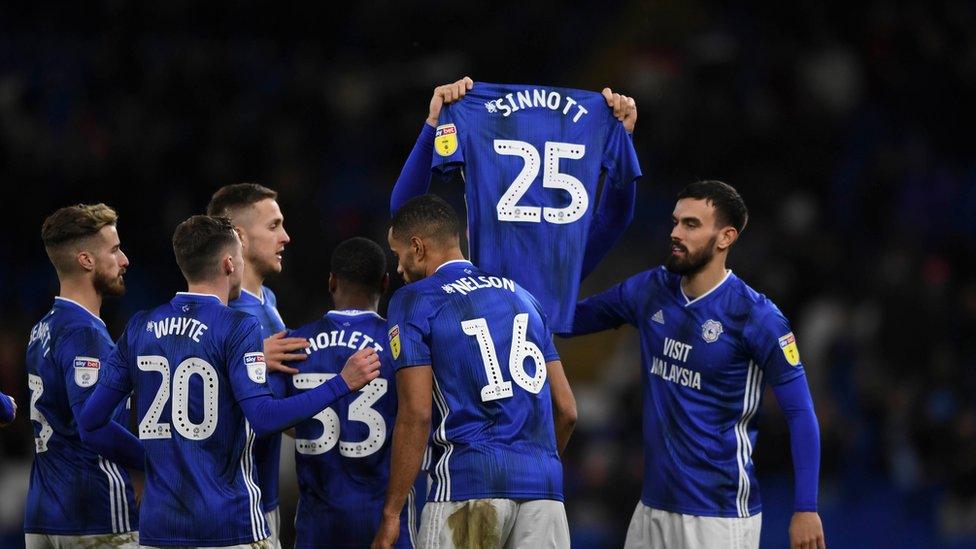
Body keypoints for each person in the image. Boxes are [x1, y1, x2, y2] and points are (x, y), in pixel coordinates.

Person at [80, 215, 381, 548]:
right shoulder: (238, 326)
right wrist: (341, 383)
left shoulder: (139, 326)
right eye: (239, 256)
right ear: (228, 263)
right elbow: (264, 418)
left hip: (159, 528)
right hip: (227, 524)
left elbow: (91, 423)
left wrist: (150, 460)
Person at [560, 180, 826, 549]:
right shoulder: (651, 289)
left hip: (717, 516)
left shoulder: (756, 316)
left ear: (725, 238)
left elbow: (800, 413)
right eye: (675, 222)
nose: (675, 233)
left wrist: (806, 508)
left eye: (691, 224)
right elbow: (567, 320)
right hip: (651, 509)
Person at [372, 194, 577, 549]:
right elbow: (567, 410)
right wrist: (532, 469)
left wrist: (392, 513)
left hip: (468, 483)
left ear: (418, 247)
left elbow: (417, 414)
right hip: (545, 492)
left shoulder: (415, 300)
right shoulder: (524, 297)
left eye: (399, 254)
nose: (400, 269)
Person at [389, 77, 640, 287]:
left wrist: (623, 137)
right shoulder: (555, 271)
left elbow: (402, 214)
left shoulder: (553, 268)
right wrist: (434, 122)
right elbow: (404, 218)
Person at [286, 237, 422, 548]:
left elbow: (273, 415)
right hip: (383, 520)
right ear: (385, 283)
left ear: (331, 282)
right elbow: (417, 417)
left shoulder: (293, 346)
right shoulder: (401, 346)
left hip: (317, 523)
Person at [24, 203, 142, 548]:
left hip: (43, 507)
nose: (124, 261)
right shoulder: (83, 333)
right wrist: (157, 462)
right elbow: (93, 428)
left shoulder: (42, 329)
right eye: (115, 249)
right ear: (86, 260)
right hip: (92, 508)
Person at [207, 182, 306, 545]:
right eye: (273, 226)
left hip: (264, 498)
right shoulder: (220, 310)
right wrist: (243, 361)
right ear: (240, 238)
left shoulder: (268, 300)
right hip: (229, 506)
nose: (285, 236)